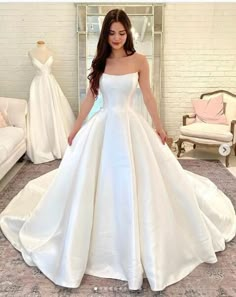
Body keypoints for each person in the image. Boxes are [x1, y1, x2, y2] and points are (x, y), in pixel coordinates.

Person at [0, 9, 235, 292]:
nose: (116, 38)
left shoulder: (139, 60)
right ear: (105, 34)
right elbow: (90, 97)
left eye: (121, 33)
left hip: (130, 125)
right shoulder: (100, 62)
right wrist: (75, 129)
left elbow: (147, 94)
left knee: (142, 181)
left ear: (128, 33)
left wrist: (159, 126)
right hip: (103, 126)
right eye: (111, 33)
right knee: (96, 181)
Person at [27, 40, 75, 164]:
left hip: (50, 85)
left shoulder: (50, 52)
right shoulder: (31, 52)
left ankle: (58, 144)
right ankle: (43, 147)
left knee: (54, 112)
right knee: (40, 114)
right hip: (37, 87)